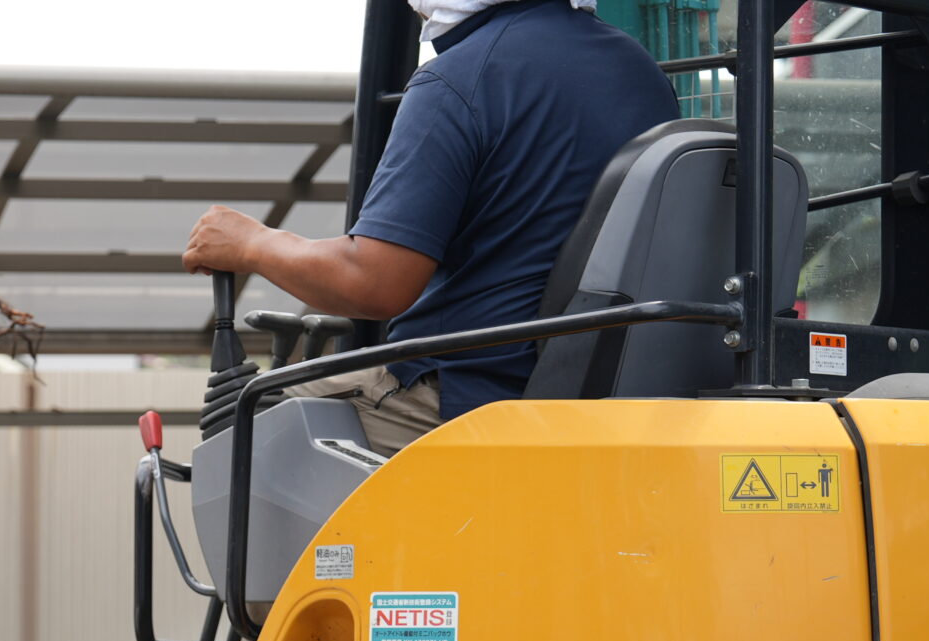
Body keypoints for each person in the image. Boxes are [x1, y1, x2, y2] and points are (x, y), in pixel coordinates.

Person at [181, 0, 679, 454]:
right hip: (603, 392)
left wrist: (254, 244)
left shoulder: (460, 79)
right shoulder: (642, 74)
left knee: (250, 426)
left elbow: (375, 281)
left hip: (473, 395)